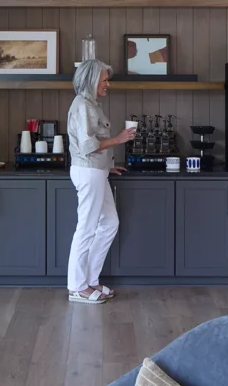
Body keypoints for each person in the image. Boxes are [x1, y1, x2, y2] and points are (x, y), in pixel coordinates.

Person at [66, 59, 137, 304]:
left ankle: (91, 280)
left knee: (109, 223)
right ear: (91, 81)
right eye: (105, 80)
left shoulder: (91, 105)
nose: (108, 84)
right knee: (86, 227)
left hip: (97, 171)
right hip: (88, 172)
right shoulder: (82, 105)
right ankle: (76, 286)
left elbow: (94, 146)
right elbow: (87, 146)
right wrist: (119, 139)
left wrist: (108, 166)